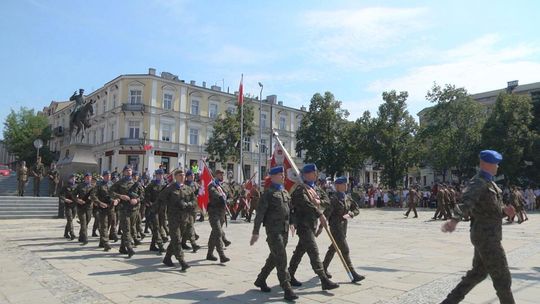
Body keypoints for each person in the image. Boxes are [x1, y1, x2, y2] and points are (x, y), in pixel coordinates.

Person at [441, 150, 516, 304]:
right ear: (485, 164)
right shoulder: (478, 182)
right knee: (503, 278)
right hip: (486, 237)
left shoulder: (491, 184)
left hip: (487, 235)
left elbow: (491, 209)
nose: (497, 167)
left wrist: (504, 211)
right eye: (495, 163)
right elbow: (466, 202)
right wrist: (454, 220)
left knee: (478, 273)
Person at [250, 166, 298, 301]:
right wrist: (255, 232)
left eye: (283, 174)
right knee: (281, 258)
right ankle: (287, 288)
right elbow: (260, 214)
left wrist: (293, 222)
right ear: (273, 177)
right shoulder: (268, 194)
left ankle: (261, 279)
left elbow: (291, 210)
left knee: (274, 257)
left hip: (284, 230)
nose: (283, 176)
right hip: (273, 231)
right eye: (280, 175)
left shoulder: (285, 192)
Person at [288, 163, 338, 290]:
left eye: (316, 173)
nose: (316, 175)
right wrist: (320, 214)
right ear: (305, 175)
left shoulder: (316, 188)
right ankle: (323, 280)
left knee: (300, 251)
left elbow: (327, 201)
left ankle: (289, 275)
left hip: (312, 224)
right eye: (313, 173)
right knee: (313, 251)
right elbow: (306, 205)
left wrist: (319, 201)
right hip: (303, 225)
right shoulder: (301, 189)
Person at [322, 176, 364, 282]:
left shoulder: (347, 197)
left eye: (346, 184)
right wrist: (321, 226)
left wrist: (352, 214)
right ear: (337, 186)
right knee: (345, 250)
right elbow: (326, 213)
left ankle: (323, 268)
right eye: (343, 184)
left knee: (333, 248)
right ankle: (353, 273)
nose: (346, 186)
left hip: (343, 228)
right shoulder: (334, 199)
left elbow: (356, 209)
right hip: (335, 228)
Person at [160, 170, 194, 272]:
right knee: (177, 239)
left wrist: (189, 204)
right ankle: (182, 261)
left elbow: (194, 200)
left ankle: (167, 258)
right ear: (175, 177)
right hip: (173, 218)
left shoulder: (188, 188)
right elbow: (161, 199)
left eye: (183, 175)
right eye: (180, 175)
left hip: (184, 218)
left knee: (176, 239)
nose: (182, 177)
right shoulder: (170, 188)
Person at [110, 165, 143, 258]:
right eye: (127, 170)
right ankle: (129, 248)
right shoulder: (119, 183)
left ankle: (122, 247)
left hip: (134, 210)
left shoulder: (136, 183)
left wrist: (137, 200)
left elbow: (142, 195)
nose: (129, 172)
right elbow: (111, 192)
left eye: (130, 170)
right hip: (124, 209)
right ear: (124, 172)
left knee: (130, 229)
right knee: (127, 229)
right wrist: (120, 196)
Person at [205, 169, 230, 263]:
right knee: (218, 233)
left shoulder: (222, 185)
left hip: (221, 213)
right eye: (220, 175)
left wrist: (228, 199)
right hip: (214, 212)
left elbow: (228, 195)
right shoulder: (212, 185)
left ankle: (209, 254)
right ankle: (222, 255)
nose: (222, 176)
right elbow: (214, 194)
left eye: (222, 175)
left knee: (214, 234)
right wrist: (220, 196)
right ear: (216, 175)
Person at [91, 170, 116, 251]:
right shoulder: (99, 185)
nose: (108, 177)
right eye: (106, 175)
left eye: (109, 175)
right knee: (104, 226)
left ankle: (102, 242)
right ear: (103, 176)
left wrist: (117, 200)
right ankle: (106, 243)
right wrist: (99, 203)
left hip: (111, 208)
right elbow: (93, 195)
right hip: (102, 208)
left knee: (109, 225)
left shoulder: (112, 184)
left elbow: (116, 194)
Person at [144, 169, 167, 254]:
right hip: (153, 209)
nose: (160, 176)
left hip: (162, 209)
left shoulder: (164, 185)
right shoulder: (151, 185)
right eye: (158, 174)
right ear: (155, 175)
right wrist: (148, 203)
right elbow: (146, 196)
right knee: (156, 227)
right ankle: (160, 245)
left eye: (161, 174)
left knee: (159, 226)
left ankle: (153, 245)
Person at [181, 170, 201, 252]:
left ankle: (183, 242)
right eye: (190, 175)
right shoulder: (184, 185)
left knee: (189, 225)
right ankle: (193, 243)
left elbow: (200, 194)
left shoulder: (196, 184)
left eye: (193, 175)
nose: (192, 177)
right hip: (186, 208)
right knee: (190, 225)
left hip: (194, 208)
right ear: (187, 176)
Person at [75, 173, 94, 245]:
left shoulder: (93, 186)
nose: (89, 179)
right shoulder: (80, 186)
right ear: (85, 178)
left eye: (90, 177)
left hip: (89, 207)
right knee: (83, 222)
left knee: (87, 221)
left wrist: (92, 198)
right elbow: (73, 194)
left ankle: (81, 235)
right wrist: (77, 200)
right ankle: (85, 238)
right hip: (81, 207)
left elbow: (96, 195)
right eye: (87, 177)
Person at [59, 174, 78, 240]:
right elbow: (60, 195)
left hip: (74, 205)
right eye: (72, 178)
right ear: (69, 179)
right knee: (69, 219)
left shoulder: (76, 186)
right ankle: (72, 233)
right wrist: (65, 199)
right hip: (68, 205)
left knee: (70, 220)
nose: (73, 179)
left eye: (74, 178)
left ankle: (66, 233)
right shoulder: (65, 186)